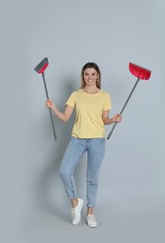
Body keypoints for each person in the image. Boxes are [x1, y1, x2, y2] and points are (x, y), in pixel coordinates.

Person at [46, 62, 122, 228]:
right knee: (64, 171)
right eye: (86, 74)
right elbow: (65, 118)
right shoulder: (76, 95)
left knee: (92, 179)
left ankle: (90, 213)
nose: (89, 77)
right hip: (78, 139)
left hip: (97, 140)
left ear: (98, 76)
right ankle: (75, 204)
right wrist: (53, 108)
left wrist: (113, 119)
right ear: (83, 76)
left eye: (93, 74)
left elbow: (104, 119)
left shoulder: (105, 96)